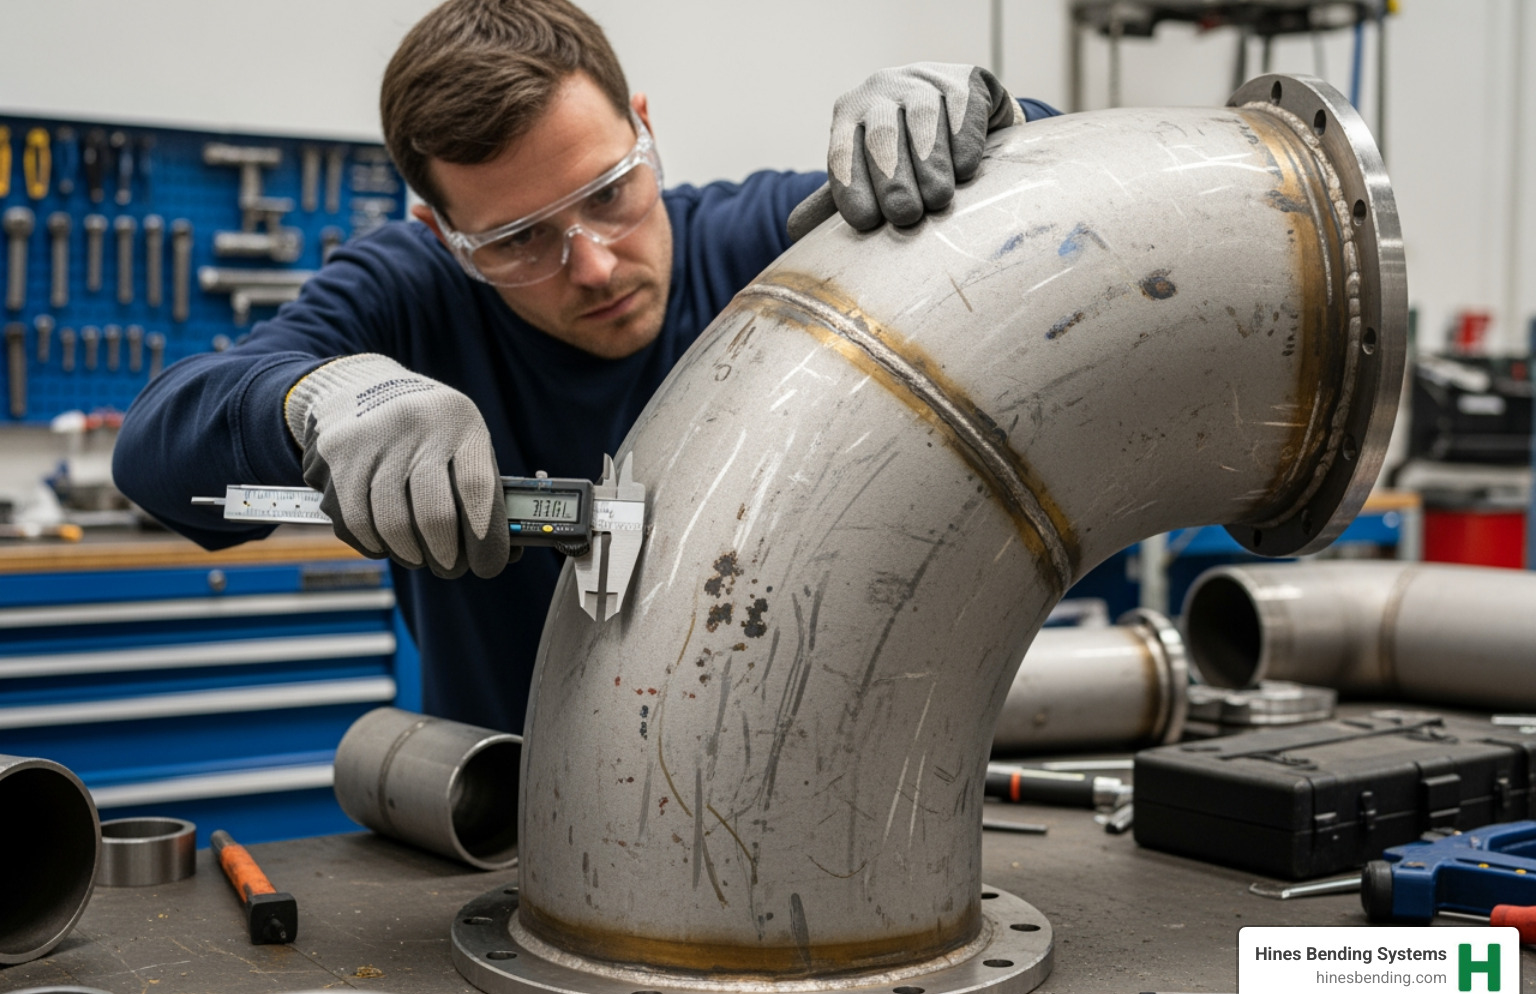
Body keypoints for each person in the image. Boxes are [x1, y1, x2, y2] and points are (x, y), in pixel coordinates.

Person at [112, 0, 1059, 735]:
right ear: (445, 235)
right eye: (519, 239)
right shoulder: (410, 294)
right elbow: (155, 454)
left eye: (610, 192)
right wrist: (314, 397)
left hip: (795, 789)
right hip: (497, 834)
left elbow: (1099, 229)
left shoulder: (774, 246)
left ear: (643, 127)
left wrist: (1004, 131)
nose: (595, 264)